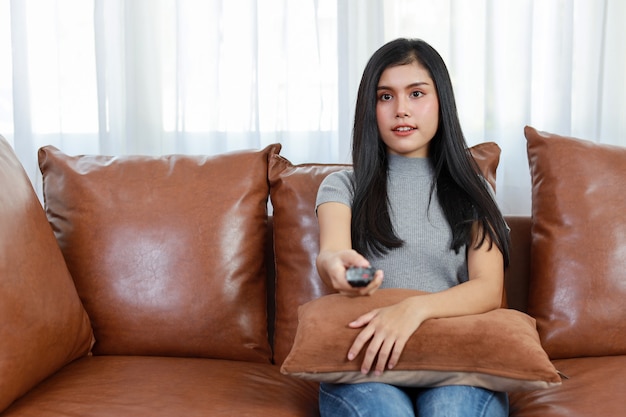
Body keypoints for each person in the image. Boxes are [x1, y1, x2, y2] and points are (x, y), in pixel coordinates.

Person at [314, 38, 511, 417]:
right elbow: (331, 254)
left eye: (416, 93)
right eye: (385, 97)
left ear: (441, 103)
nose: (401, 110)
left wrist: (414, 309)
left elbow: (488, 287)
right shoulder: (343, 186)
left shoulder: (473, 189)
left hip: (458, 362)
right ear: (370, 109)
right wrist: (342, 267)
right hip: (367, 361)